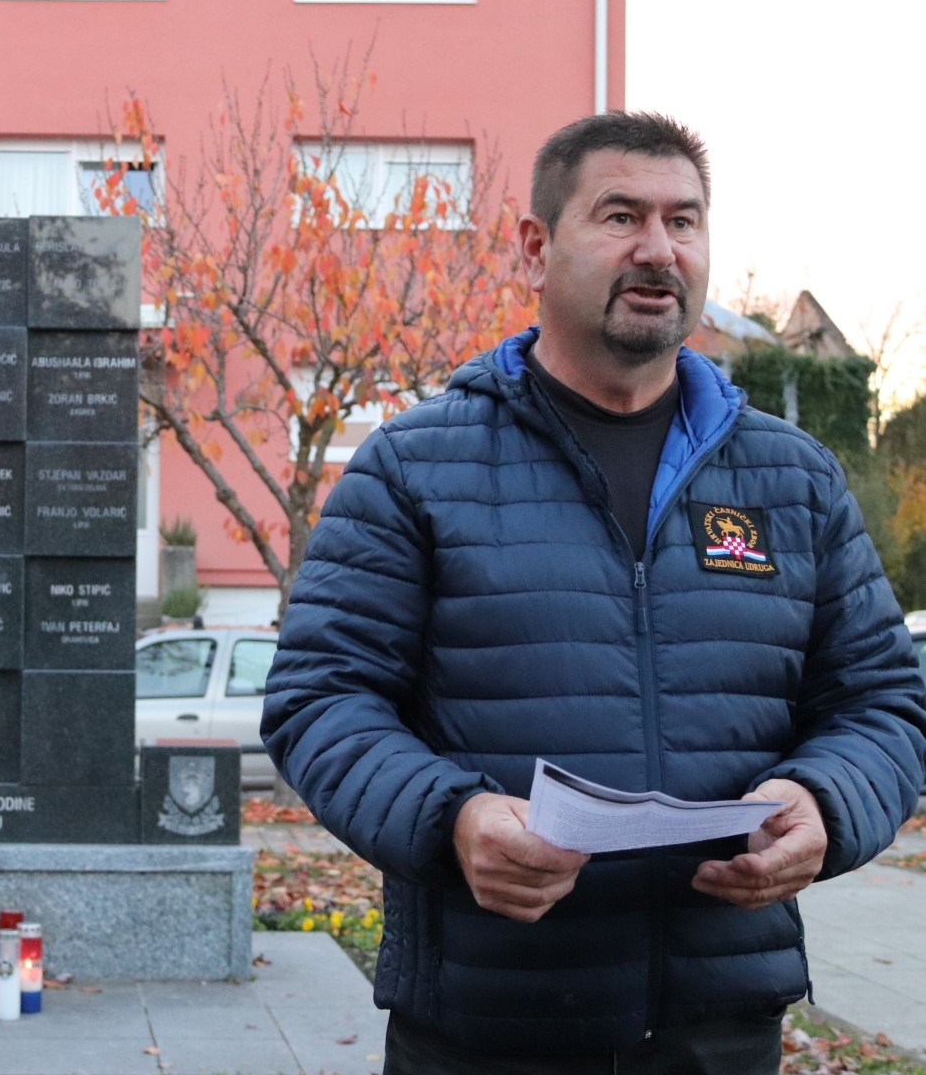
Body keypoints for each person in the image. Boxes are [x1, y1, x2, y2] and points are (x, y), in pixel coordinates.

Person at [261, 111, 926, 1074]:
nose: (659, 249)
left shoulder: (794, 479)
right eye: (621, 217)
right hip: (486, 1028)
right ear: (536, 247)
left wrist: (826, 802)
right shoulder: (414, 468)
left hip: (721, 1028)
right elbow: (321, 699)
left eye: (683, 221)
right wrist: (452, 820)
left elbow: (882, 703)